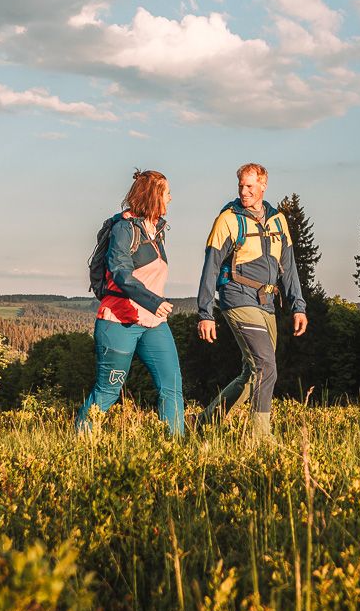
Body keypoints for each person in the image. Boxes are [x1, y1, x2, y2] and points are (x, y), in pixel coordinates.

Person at [196, 162, 306, 438]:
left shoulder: (278, 221)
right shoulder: (228, 220)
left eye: (250, 186)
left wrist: (298, 306)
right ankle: (260, 439)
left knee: (252, 373)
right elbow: (210, 266)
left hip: (267, 302)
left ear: (263, 185)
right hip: (237, 297)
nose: (244, 191)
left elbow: (289, 267)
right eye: (241, 186)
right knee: (266, 366)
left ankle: (203, 424)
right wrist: (205, 312)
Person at [78, 169, 186, 437]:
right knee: (108, 390)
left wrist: (153, 307)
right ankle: (80, 441)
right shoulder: (124, 229)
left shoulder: (157, 231)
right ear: (153, 195)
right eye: (167, 192)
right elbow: (121, 273)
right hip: (119, 321)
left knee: (172, 387)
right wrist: (153, 301)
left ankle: (177, 450)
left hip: (154, 323)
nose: (171, 198)